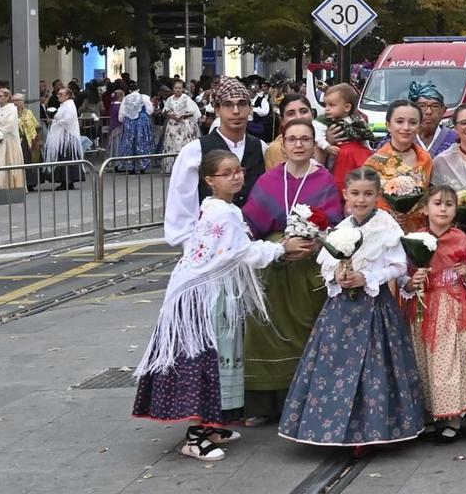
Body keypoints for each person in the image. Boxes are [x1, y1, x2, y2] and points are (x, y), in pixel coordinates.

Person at [130, 150, 283, 461]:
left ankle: (211, 425)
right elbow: (243, 254)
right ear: (210, 180)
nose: (236, 176)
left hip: (203, 293)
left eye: (239, 170)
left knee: (216, 357)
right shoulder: (222, 212)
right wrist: (281, 248)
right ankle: (196, 436)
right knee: (205, 360)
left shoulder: (219, 208)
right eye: (227, 173)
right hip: (201, 297)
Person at [277, 168, 425, 449]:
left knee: (374, 367)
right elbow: (327, 265)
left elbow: (397, 266)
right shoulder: (342, 228)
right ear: (345, 194)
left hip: (375, 306)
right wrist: (338, 276)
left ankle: (371, 430)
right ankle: (328, 428)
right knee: (335, 366)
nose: (361, 200)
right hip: (341, 310)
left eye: (368, 194)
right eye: (355, 193)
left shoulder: (387, 226)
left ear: (377, 196)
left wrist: (367, 277)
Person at [239, 116, 342, 422]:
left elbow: (335, 226)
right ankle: (263, 406)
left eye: (305, 139)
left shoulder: (324, 180)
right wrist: (278, 245)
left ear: (313, 144)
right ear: (282, 145)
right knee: (263, 330)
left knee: (309, 332)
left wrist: (313, 242)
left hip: (308, 270)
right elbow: (249, 225)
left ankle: (305, 403)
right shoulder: (268, 180)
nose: (298, 145)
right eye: (292, 139)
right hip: (271, 270)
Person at [402, 184, 466, 439]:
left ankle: (452, 418)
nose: (443, 209)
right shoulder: (415, 239)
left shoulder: (461, 238)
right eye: (437, 203)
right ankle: (429, 415)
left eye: (449, 204)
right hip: (424, 304)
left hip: (452, 304)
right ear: (425, 208)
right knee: (423, 360)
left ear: (456, 209)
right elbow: (405, 276)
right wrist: (412, 282)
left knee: (450, 361)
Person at [165, 78, 264, 245]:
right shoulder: (194, 151)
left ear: (250, 109)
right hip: (209, 247)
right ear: (217, 109)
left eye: (241, 104)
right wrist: (193, 246)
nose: (236, 111)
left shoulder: (260, 147)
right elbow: (181, 204)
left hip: (253, 246)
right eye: (228, 104)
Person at [365, 100, 434, 234]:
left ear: (419, 126)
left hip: (419, 232)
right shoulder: (374, 162)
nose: (406, 127)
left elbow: (428, 196)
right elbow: (364, 201)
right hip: (383, 231)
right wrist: (389, 216)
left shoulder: (425, 159)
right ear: (388, 125)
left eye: (413, 122)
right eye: (400, 121)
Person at [320, 82, 374, 188]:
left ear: (347, 107)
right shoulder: (324, 121)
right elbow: (317, 137)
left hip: (357, 159)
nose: (326, 109)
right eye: (325, 105)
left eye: (332, 105)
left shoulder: (357, 120)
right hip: (337, 157)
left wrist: (369, 151)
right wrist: (327, 144)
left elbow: (363, 136)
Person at [45, 85, 85, 189]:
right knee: (63, 159)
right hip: (63, 137)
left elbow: (68, 120)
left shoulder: (69, 105)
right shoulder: (64, 105)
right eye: (58, 94)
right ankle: (66, 181)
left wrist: (54, 122)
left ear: (68, 96)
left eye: (61, 94)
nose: (58, 96)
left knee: (66, 158)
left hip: (67, 138)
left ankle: (67, 181)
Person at [113, 83, 155, 171]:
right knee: (142, 142)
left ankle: (129, 165)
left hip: (130, 122)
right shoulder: (144, 98)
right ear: (138, 89)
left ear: (130, 90)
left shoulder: (126, 99)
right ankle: (142, 164)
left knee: (129, 142)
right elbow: (150, 110)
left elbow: (121, 116)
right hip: (142, 121)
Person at [409, 82, 456, 157]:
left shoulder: (455, 139)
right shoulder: (402, 138)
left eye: (435, 106)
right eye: (422, 106)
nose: (428, 112)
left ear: (443, 110)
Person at [161, 80, 201, 155]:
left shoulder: (186, 98)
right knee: (172, 144)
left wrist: (182, 115)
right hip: (172, 125)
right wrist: (170, 114)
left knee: (182, 144)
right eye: (176, 88)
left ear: (182, 89)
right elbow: (165, 110)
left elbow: (192, 112)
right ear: (173, 89)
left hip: (183, 125)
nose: (178, 90)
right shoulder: (170, 99)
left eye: (179, 88)